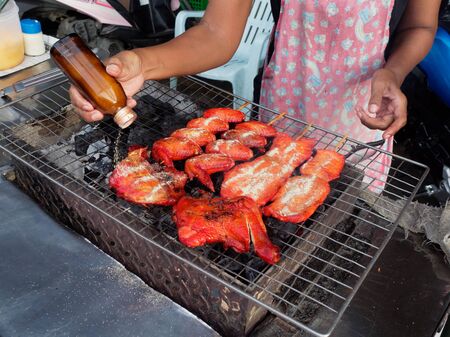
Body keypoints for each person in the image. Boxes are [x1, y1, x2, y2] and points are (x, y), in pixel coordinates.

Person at [70, 0, 440, 190]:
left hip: (364, 116)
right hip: (284, 109)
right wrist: (140, 63)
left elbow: (421, 25)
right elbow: (216, 34)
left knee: (346, 216)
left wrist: (393, 72)